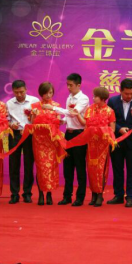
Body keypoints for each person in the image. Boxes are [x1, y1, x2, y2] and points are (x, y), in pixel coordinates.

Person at [45, 73, 89, 206]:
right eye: (67, 85)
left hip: (80, 135)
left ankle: (80, 197)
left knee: (80, 167)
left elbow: (73, 113)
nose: (68, 87)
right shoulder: (69, 97)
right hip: (68, 135)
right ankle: (67, 196)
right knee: (68, 167)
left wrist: (53, 108)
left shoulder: (83, 98)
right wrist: (61, 121)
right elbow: (68, 117)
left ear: (78, 85)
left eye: (71, 85)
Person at [107, 79, 132, 208]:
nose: (129, 96)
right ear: (120, 91)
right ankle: (118, 195)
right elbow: (109, 119)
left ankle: (130, 197)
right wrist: (119, 129)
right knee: (117, 169)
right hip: (117, 140)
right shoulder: (112, 101)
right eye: (127, 93)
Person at [30, 82, 66, 206]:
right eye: (46, 93)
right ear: (41, 93)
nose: (48, 95)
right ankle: (41, 193)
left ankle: (49, 194)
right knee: (40, 167)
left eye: (50, 93)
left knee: (51, 166)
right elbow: (32, 123)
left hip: (51, 140)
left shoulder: (56, 106)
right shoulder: (35, 106)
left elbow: (58, 122)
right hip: (39, 140)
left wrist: (59, 121)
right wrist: (33, 115)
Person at [81, 86, 116, 207]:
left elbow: (112, 129)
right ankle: (93, 194)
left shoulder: (109, 111)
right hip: (91, 144)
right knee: (91, 169)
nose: (93, 98)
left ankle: (100, 194)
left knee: (101, 170)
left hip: (103, 145)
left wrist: (102, 130)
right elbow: (86, 126)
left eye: (95, 96)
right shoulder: (89, 109)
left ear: (102, 98)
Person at [6, 80, 38, 204]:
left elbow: (39, 118)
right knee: (14, 164)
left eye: (21, 92)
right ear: (13, 91)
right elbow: (6, 120)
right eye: (16, 92)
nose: (19, 95)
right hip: (15, 134)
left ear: (26, 90)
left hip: (29, 134)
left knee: (29, 164)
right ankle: (14, 194)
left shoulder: (34, 101)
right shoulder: (9, 103)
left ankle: (27, 193)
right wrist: (11, 125)